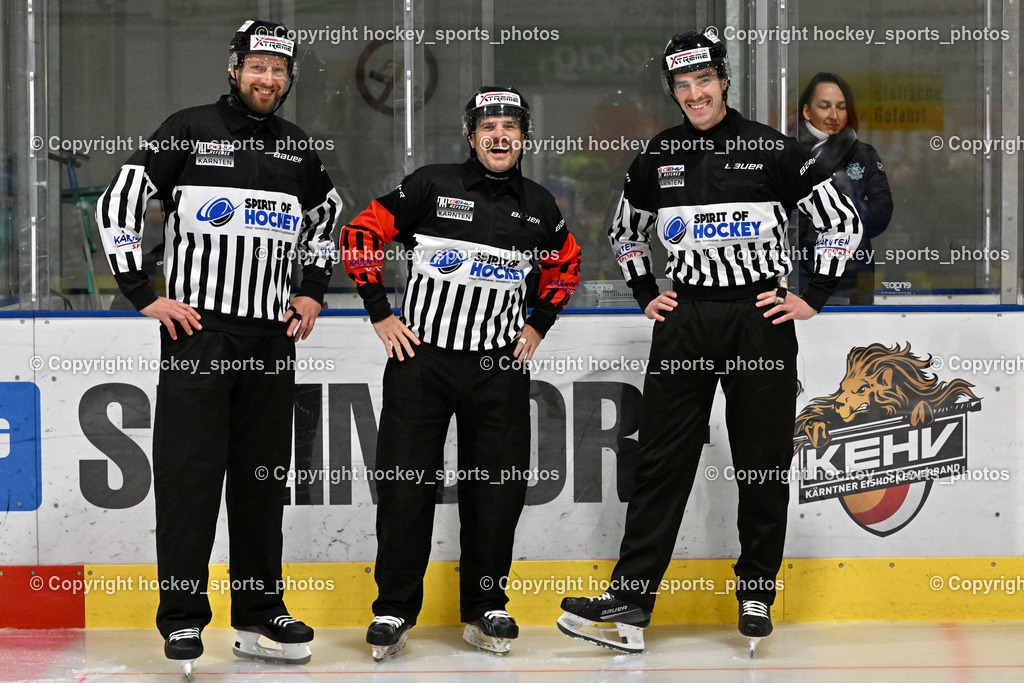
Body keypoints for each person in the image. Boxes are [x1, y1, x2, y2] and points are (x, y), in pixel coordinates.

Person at [557, 27, 862, 656]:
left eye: (704, 81)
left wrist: (813, 295)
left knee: (762, 458)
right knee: (662, 459)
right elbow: (624, 231)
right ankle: (632, 601)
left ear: (724, 80)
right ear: (673, 91)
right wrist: (647, 293)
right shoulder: (657, 155)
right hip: (686, 318)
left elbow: (841, 220)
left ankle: (756, 592)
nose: (695, 94)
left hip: (759, 317)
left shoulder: (773, 149)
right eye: (682, 85)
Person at [96, 19, 341, 677]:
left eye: (279, 70)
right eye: (257, 66)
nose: (268, 79)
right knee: (189, 481)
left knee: (262, 483)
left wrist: (313, 288)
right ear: (235, 69)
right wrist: (142, 292)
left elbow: (327, 216)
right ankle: (181, 619)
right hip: (198, 337)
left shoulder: (297, 150)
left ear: (288, 80)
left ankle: (261, 612)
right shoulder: (189, 128)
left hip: (271, 340)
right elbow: (119, 203)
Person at [341, 86, 581, 660]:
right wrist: (380, 312)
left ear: (524, 137)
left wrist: (539, 322)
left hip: (498, 369)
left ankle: (486, 607)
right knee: (405, 489)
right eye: (488, 126)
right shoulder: (430, 184)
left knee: (496, 492)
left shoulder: (541, 205)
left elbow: (566, 264)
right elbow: (359, 233)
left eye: (511, 127)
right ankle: (394, 610)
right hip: (421, 363)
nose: (500, 136)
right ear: (471, 136)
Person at [796, 72, 893, 304]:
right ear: (807, 111)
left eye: (841, 107)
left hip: (854, 278)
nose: (833, 115)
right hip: (799, 275)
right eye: (825, 106)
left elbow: (882, 213)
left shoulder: (865, 155)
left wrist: (847, 211)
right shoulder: (789, 153)